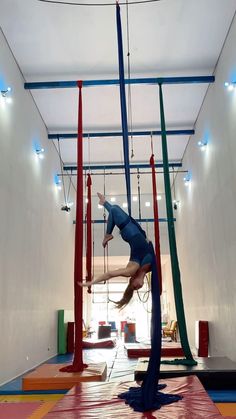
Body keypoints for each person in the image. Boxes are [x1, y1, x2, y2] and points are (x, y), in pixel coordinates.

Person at [79, 192, 153, 309]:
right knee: (115, 208)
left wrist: (91, 283)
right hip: (133, 226)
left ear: (132, 280)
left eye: (133, 287)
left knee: (114, 210)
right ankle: (104, 203)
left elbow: (109, 274)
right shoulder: (150, 268)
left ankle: (108, 234)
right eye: (138, 288)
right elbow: (150, 250)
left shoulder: (131, 269)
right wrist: (147, 239)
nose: (138, 287)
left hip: (127, 230)